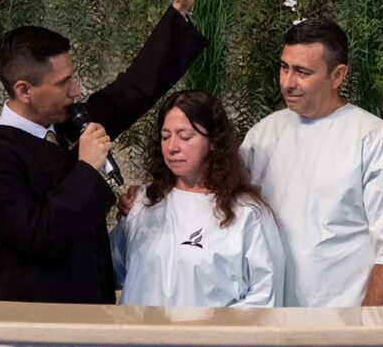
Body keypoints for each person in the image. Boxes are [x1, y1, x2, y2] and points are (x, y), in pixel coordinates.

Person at [0, 0, 210, 304]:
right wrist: (86, 168)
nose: (76, 91)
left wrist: (180, 9)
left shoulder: (68, 123)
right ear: (24, 90)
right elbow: (41, 236)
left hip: (91, 311)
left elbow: (135, 88)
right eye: (64, 83)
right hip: (34, 326)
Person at [240, 18, 383, 307]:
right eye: (284, 67)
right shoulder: (262, 134)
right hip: (268, 319)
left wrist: (365, 328)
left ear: (337, 76)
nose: (288, 82)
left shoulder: (375, 139)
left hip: (342, 322)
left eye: (302, 72)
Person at [111, 90, 285, 307]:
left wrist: (207, 334)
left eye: (185, 137)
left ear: (213, 142)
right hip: (138, 337)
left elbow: (264, 297)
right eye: (166, 136)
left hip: (207, 339)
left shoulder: (247, 214)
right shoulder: (143, 202)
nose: (172, 147)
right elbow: (110, 270)